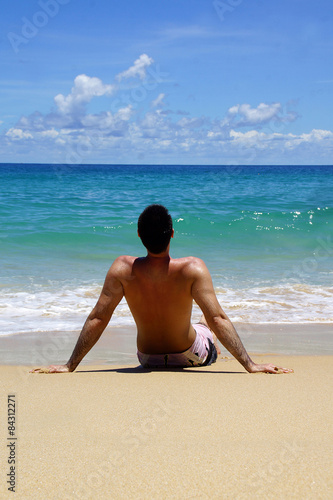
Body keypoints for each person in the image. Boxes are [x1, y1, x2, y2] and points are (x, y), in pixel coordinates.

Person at [31, 204, 293, 374]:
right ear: (172, 234)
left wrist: (70, 365)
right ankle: (211, 343)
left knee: (204, 322)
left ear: (138, 235)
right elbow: (219, 318)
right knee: (207, 322)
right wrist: (251, 365)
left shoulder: (122, 268)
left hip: (147, 359)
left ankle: (203, 333)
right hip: (191, 356)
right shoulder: (192, 268)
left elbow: (99, 318)